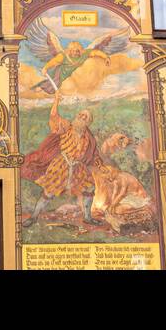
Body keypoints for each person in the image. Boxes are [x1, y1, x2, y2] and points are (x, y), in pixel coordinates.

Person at [21, 93, 102, 231]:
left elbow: (93, 153)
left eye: (86, 117)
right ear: (77, 116)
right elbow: (54, 116)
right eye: (81, 115)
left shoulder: (89, 137)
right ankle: (33, 217)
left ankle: (87, 218)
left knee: (89, 188)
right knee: (49, 192)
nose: (82, 117)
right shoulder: (66, 126)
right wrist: (56, 101)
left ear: (89, 122)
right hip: (60, 165)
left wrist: (99, 164)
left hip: (78, 168)